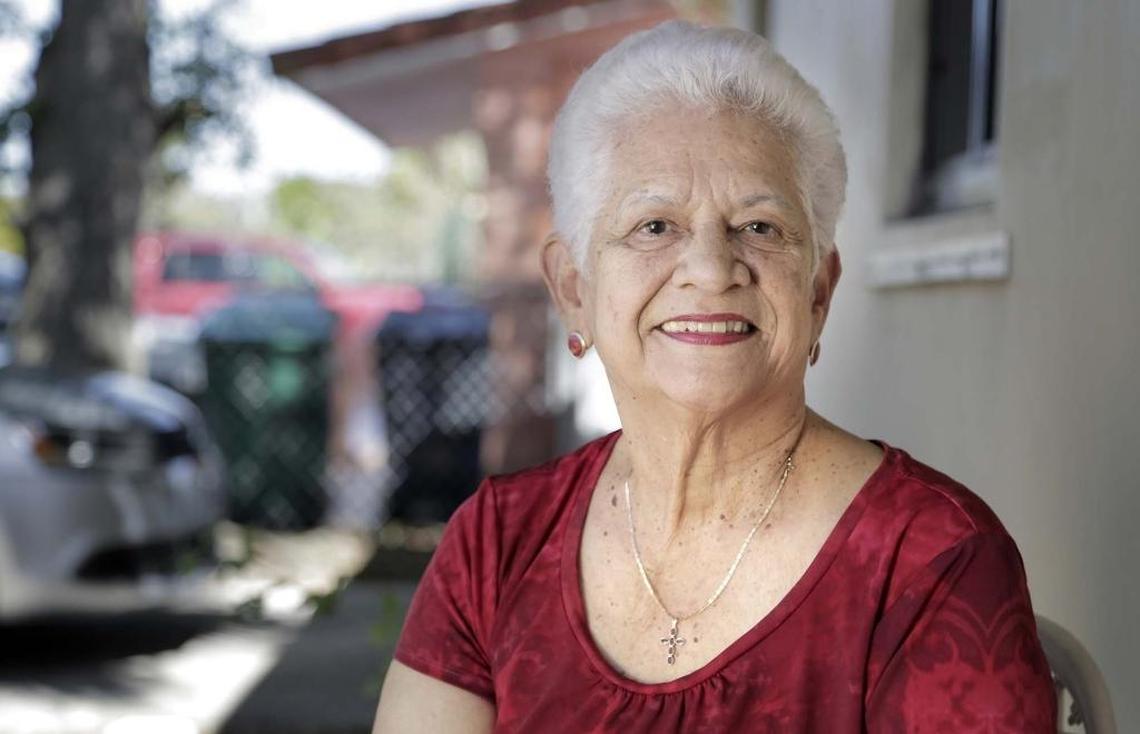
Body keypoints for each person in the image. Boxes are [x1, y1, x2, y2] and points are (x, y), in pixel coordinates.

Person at [373, 20, 1056, 733]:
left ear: (818, 291)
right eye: (655, 225)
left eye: (759, 227)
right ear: (574, 288)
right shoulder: (497, 543)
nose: (709, 270)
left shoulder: (930, 562)